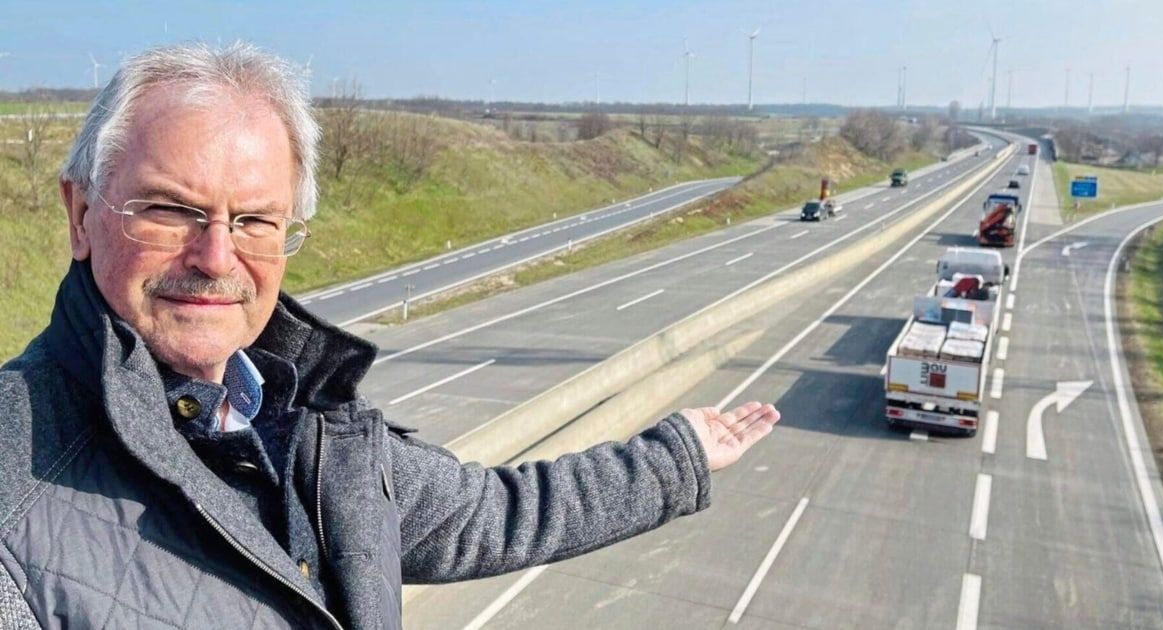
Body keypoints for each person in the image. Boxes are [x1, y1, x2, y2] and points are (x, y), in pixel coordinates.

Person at [0, 42, 780, 629]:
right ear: (79, 215)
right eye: (170, 210)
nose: (215, 257)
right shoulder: (14, 486)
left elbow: (488, 515)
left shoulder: (305, 422)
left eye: (254, 221)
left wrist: (674, 457)